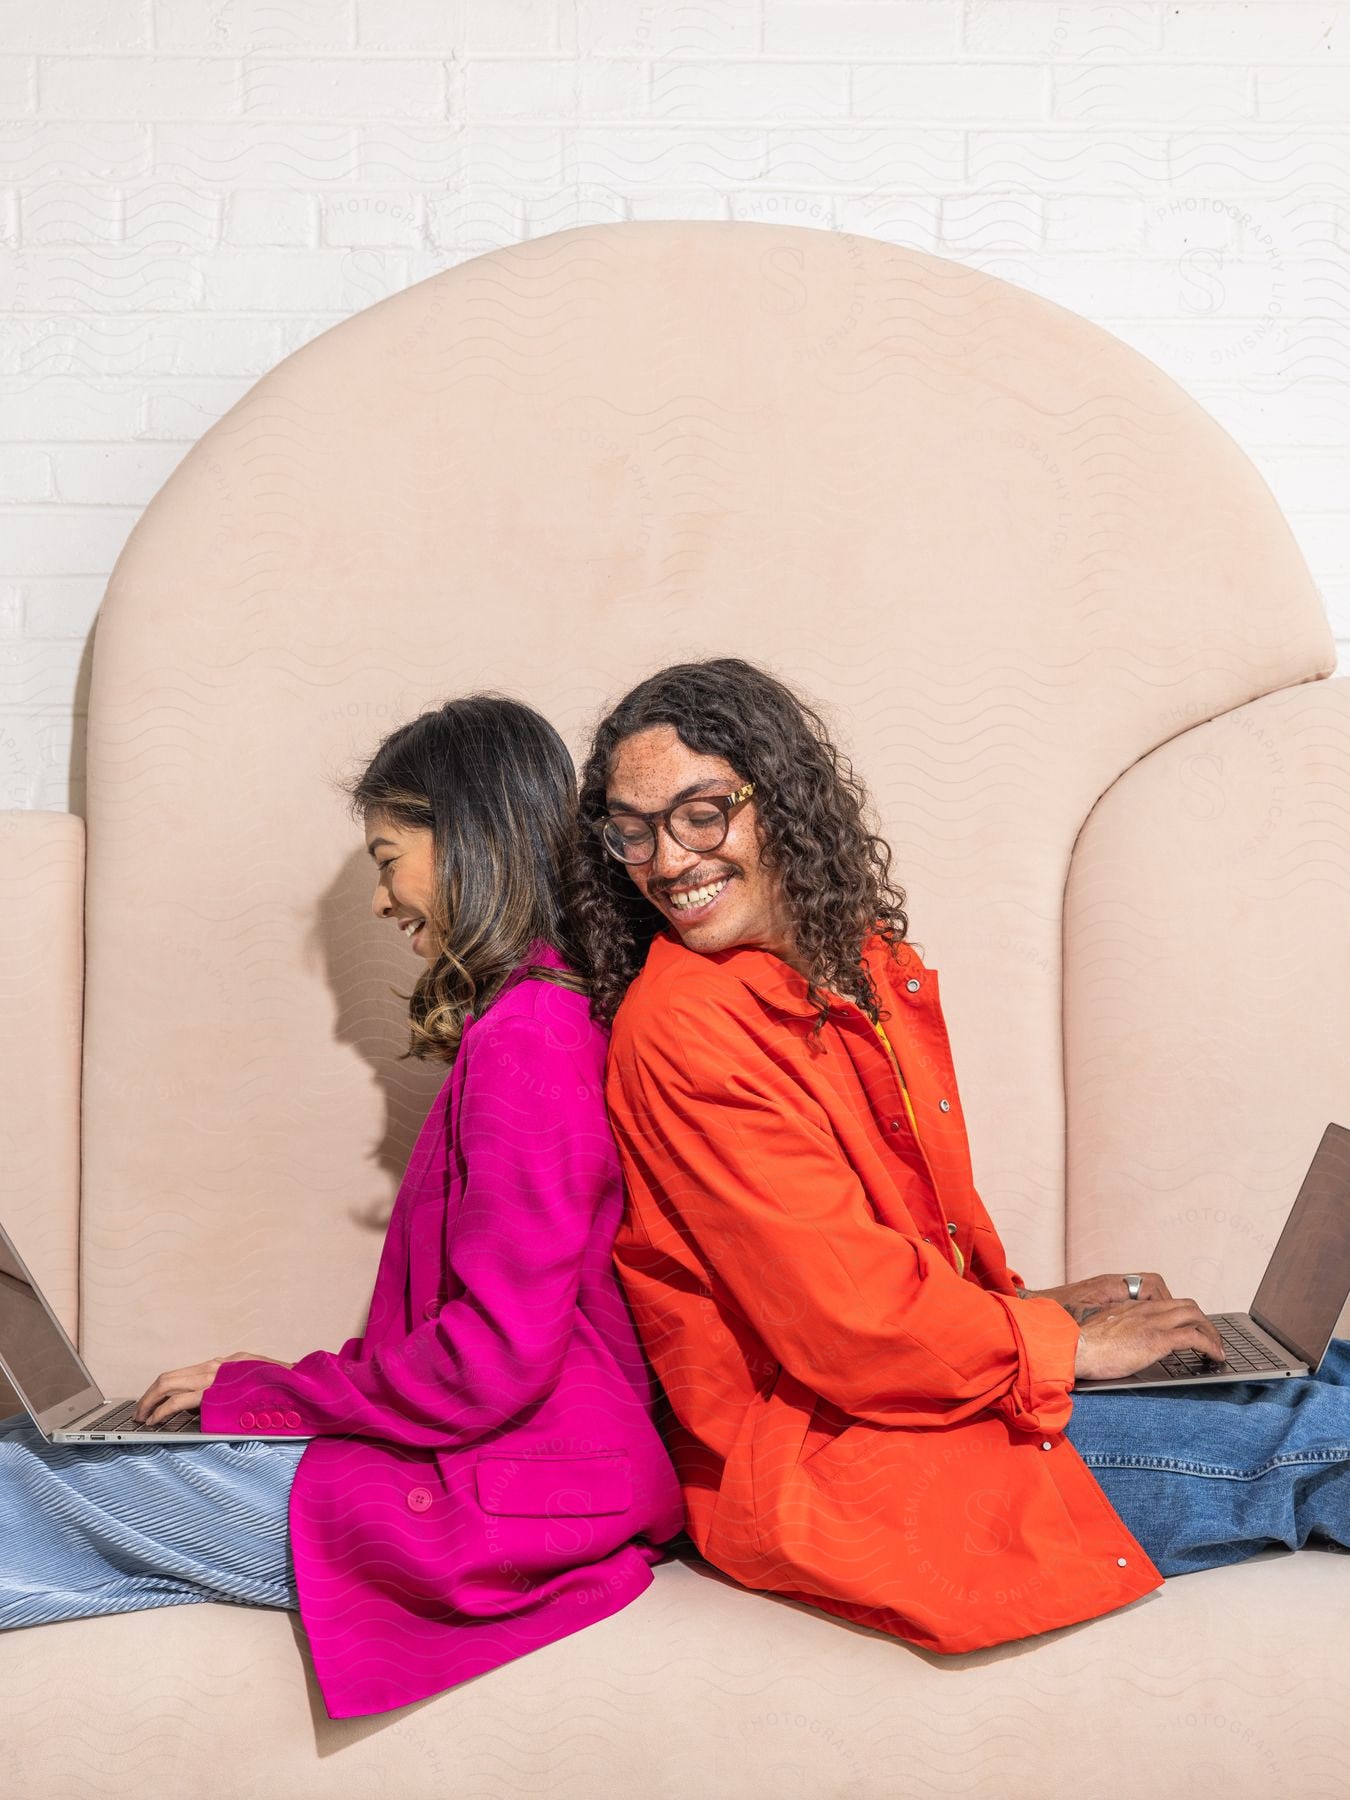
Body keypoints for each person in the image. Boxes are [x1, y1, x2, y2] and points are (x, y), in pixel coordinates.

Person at [574, 655, 1350, 1655]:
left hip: (929, 1396)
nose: (668, 861)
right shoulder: (685, 1028)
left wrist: (1054, 1310)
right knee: (1320, 1433)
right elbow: (846, 1325)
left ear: (782, 797)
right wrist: (1071, 1349)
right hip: (845, 1458)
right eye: (633, 831)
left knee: (1327, 1374)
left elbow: (895, 1267)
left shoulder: (860, 964)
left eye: (701, 813)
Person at [0, 694, 684, 1717]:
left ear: (466, 845)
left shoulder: (532, 1037)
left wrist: (263, 1393)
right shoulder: (534, 1021)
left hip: (514, 1500)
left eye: (386, 857)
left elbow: (490, 1362)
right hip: (514, 1481)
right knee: (44, 1489)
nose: (381, 900)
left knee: (25, 1485)